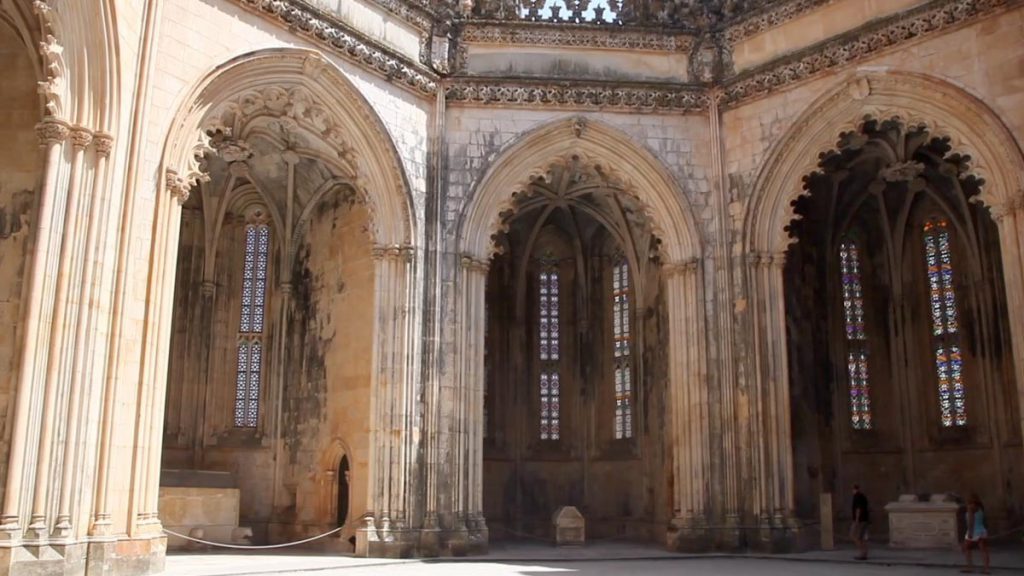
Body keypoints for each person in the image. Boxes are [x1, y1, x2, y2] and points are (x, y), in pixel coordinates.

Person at [962, 493, 990, 574]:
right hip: (982, 531)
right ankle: (986, 569)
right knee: (984, 551)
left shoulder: (970, 508)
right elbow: (984, 521)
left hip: (974, 531)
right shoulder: (980, 508)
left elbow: (971, 521)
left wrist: (970, 533)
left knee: (967, 549)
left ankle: (969, 567)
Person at [850, 484, 870, 560]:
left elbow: (858, 508)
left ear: (854, 489)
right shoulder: (863, 496)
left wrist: (857, 520)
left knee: (855, 536)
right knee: (861, 537)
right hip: (864, 519)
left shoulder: (857, 496)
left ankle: (862, 553)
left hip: (860, 520)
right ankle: (864, 553)